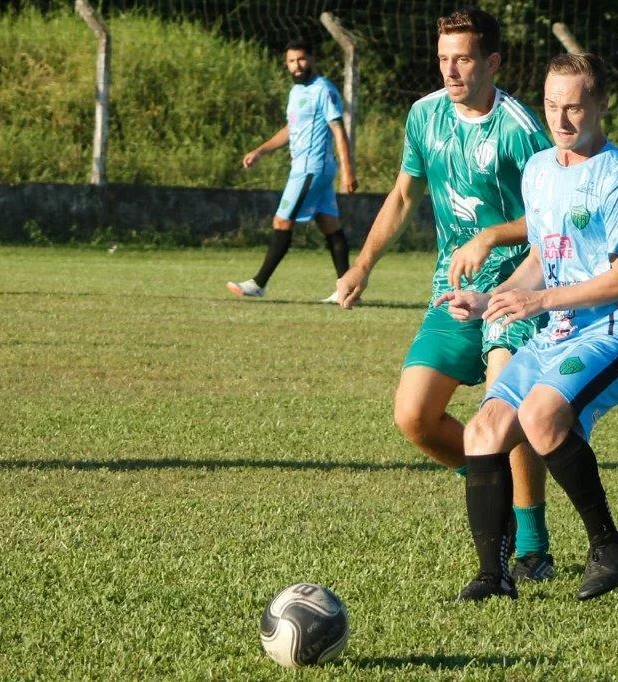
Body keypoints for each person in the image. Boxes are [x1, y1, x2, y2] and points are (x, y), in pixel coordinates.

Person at [336, 7, 557, 581]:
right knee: (413, 417)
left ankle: (531, 545)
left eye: (463, 59)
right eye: (443, 59)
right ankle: (491, 485)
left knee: (503, 410)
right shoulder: (425, 116)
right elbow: (404, 196)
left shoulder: (520, 128)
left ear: (492, 62)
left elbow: (551, 217)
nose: (451, 70)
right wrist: (363, 264)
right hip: (452, 292)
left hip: (515, 289)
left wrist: (490, 236)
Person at [439, 53, 618, 602]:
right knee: (483, 431)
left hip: (612, 332)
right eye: (551, 105)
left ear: (601, 105)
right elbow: (542, 256)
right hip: (554, 332)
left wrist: (540, 301)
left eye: (574, 107)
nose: (560, 120)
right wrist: (489, 299)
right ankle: (494, 576)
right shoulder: (538, 170)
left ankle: (608, 545)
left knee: (540, 416)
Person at [227, 39, 358, 302]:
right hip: (307, 167)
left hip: (311, 167)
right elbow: (291, 129)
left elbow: (338, 130)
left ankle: (258, 284)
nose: (296, 65)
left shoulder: (323, 89)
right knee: (329, 224)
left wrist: (348, 171)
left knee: (282, 221)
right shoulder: (296, 92)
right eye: (291, 61)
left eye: (301, 59)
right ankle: (349, 290)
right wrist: (260, 150)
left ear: (311, 59)